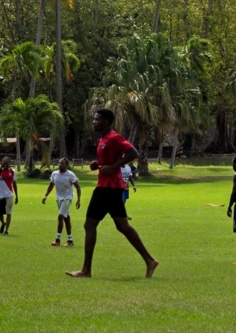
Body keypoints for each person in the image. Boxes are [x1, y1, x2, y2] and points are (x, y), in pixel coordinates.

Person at [68, 108, 158, 278]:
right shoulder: (102, 139)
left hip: (107, 188)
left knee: (90, 225)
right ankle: (150, 261)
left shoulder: (114, 137)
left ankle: (86, 270)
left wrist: (114, 166)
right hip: (111, 186)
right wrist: (99, 165)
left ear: (106, 122)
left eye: (97, 120)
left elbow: (133, 152)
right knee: (122, 226)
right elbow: (108, 163)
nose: (94, 122)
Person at [42, 157, 82, 247]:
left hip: (68, 199)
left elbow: (78, 187)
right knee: (66, 218)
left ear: (66, 165)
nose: (60, 165)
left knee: (60, 216)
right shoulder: (54, 174)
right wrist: (45, 195)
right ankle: (70, 240)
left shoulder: (70, 175)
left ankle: (57, 239)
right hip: (59, 199)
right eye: (59, 163)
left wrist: (78, 200)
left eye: (62, 163)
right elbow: (51, 185)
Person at [0, 156, 18, 235]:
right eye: (4, 163)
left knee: (9, 213)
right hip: (1, 195)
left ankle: (6, 230)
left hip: (9, 195)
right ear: (2, 163)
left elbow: (15, 184)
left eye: (7, 163)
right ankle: (3, 223)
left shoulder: (12, 172)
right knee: (0, 213)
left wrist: (16, 196)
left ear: (9, 163)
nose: (5, 165)